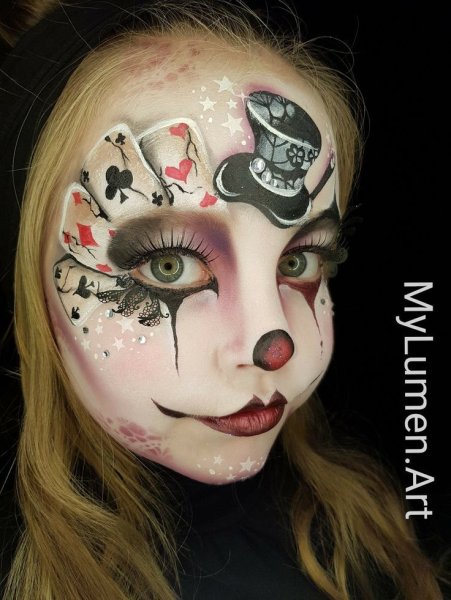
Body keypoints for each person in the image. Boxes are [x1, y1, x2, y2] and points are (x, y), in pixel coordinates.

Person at [0, 1, 447, 599]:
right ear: (22, 273)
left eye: (299, 261)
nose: (274, 348)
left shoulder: (365, 524)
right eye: (170, 264)